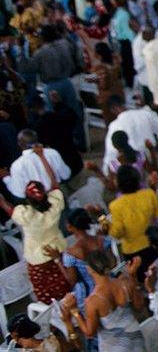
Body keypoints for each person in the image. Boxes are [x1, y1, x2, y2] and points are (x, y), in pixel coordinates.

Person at [0, 147, 69, 304]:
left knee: (46, 295)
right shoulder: (55, 204)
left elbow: (4, 204)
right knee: (64, 286)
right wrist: (42, 157)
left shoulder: (25, 215)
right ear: (45, 192)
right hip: (58, 249)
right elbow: (54, 182)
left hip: (37, 259)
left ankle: (57, 321)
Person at [60, 249, 146, 350]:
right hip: (136, 338)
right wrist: (132, 276)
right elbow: (139, 306)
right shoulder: (125, 283)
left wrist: (75, 311)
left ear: (89, 269)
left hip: (114, 346)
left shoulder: (92, 301)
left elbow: (89, 333)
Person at [101, 164, 158, 281]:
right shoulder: (149, 194)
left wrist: (102, 219)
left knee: (143, 279)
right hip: (153, 243)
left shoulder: (116, 206)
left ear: (119, 183)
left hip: (132, 251)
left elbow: (116, 233)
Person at [3, 129, 72, 199]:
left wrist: (6, 178)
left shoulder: (17, 166)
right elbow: (66, 175)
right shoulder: (52, 152)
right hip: (60, 194)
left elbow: (20, 193)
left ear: (19, 144)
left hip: (39, 202)